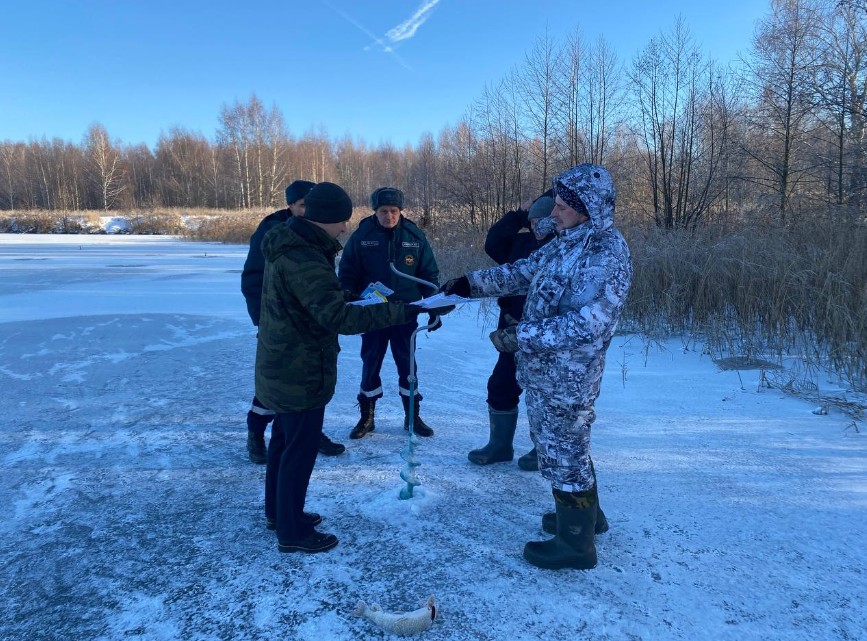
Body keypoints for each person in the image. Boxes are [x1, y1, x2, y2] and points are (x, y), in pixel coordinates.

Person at [442, 164, 632, 570]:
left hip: (570, 376)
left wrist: (519, 338)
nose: (554, 212)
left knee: (566, 450)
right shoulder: (565, 241)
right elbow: (520, 271)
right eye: (557, 203)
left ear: (587, 210)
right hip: (544, 371)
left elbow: (589, 322)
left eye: (563, 205)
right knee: (564, 447)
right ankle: (585, 517)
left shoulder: (606, 254)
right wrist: (468, 284)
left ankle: (575, 545)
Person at [255, 181, 424, 553]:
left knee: (284, 442)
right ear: (325, 220)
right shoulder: (303, 256)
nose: (345, 229)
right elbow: (336, 317)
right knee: (297, 450)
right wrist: (401, 310)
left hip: (284, 360)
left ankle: (280, 514)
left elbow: (317, 301)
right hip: (299, 366)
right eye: (341, 222)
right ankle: (292, 533)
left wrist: (345, 297)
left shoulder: (294, 246)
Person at [241, 180, 346, 462]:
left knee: (306, 389)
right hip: (278, 323)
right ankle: (256, 432)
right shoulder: (274, 232)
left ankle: (312, 433)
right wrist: (265, 321)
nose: (307, 211)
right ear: (290, 205)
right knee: (276, 387)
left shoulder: (314, 234)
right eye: (302, 206)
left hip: (307, 323)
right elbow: (253, 279)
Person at [338, 187, 441, 439]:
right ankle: (367, 417)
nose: (389, 216)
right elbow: (348, 271)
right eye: (384, 211)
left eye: (394, 211)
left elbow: (429, 275)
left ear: (400, 211)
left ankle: (412, 416)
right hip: (372, 314)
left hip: (405, 313)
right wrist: (348, 295)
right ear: (375, 211)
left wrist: (434, 308)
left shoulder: (414, 235)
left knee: (408, 365)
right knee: (370, 362)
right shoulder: (363, 235)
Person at [467, 193, 556, 467]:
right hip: (510, 329)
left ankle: (544, 450)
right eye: (532, 221)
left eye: (542, 220)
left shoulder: (561, 249)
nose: (536, 225)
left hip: (544, 333)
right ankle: (500, 446)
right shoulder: (519, 243)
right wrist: (517, 214)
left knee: (544, 392)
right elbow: (492, 242)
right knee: (501, 384)